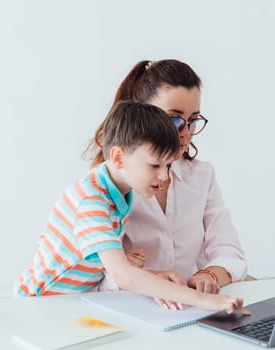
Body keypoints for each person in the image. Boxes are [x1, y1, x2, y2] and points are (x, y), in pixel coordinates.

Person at [15, 101, 248, 314]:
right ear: (118, 158)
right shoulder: (92, 199)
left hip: (73, 304)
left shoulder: (120, 194)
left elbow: (113, 271)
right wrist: (206, 301)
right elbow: (123, 276)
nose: (164, 176)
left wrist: (154, 278)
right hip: (39, 304)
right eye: (155, 165)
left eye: (168, 165)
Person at [88, 59, 247, 301]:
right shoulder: (107, 187)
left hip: (188, 307)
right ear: (142, 115)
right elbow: (100, 280)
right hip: (129, 308)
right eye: (173, 119)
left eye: (193, 121)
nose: (184, 134)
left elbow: (231, 253)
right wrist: (150, 278)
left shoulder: (202, 176)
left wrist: (210, 276)